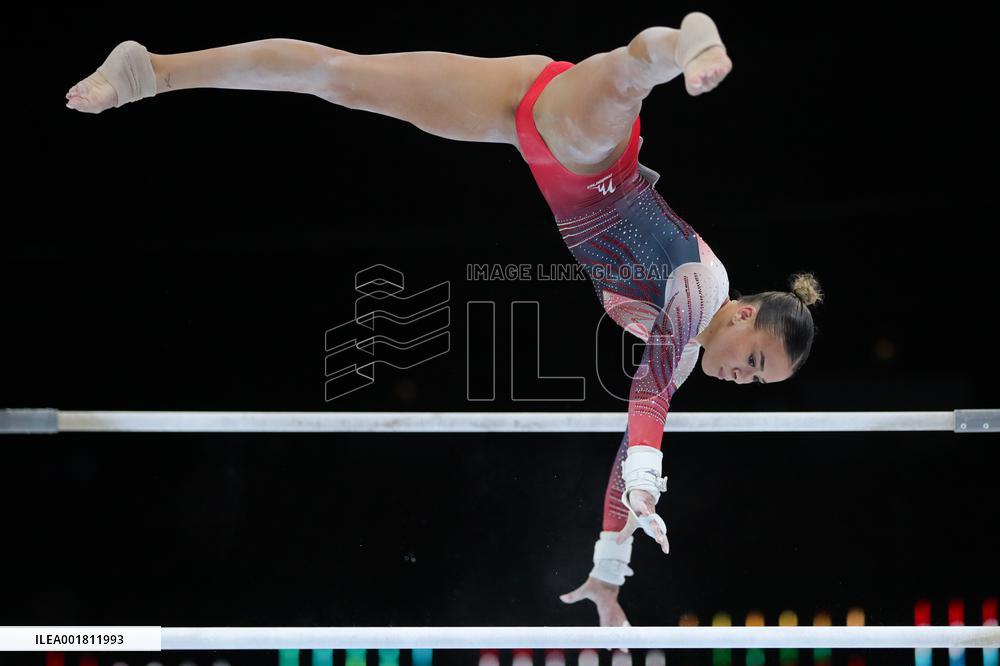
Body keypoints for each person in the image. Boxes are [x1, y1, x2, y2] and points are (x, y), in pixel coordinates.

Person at [66, 11, 823, 635]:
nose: (741, 377)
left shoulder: (689, 342)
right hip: (590, 153)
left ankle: (153, 68)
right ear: (747, 315)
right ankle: (694, 41)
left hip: (526, 115)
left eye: (756, 382)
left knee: (343, 79)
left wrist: (607, 574)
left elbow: (633, 436)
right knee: (632, 68)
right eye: (754, 360)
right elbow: (647, 398)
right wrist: (650, 476)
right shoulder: (702, 288)